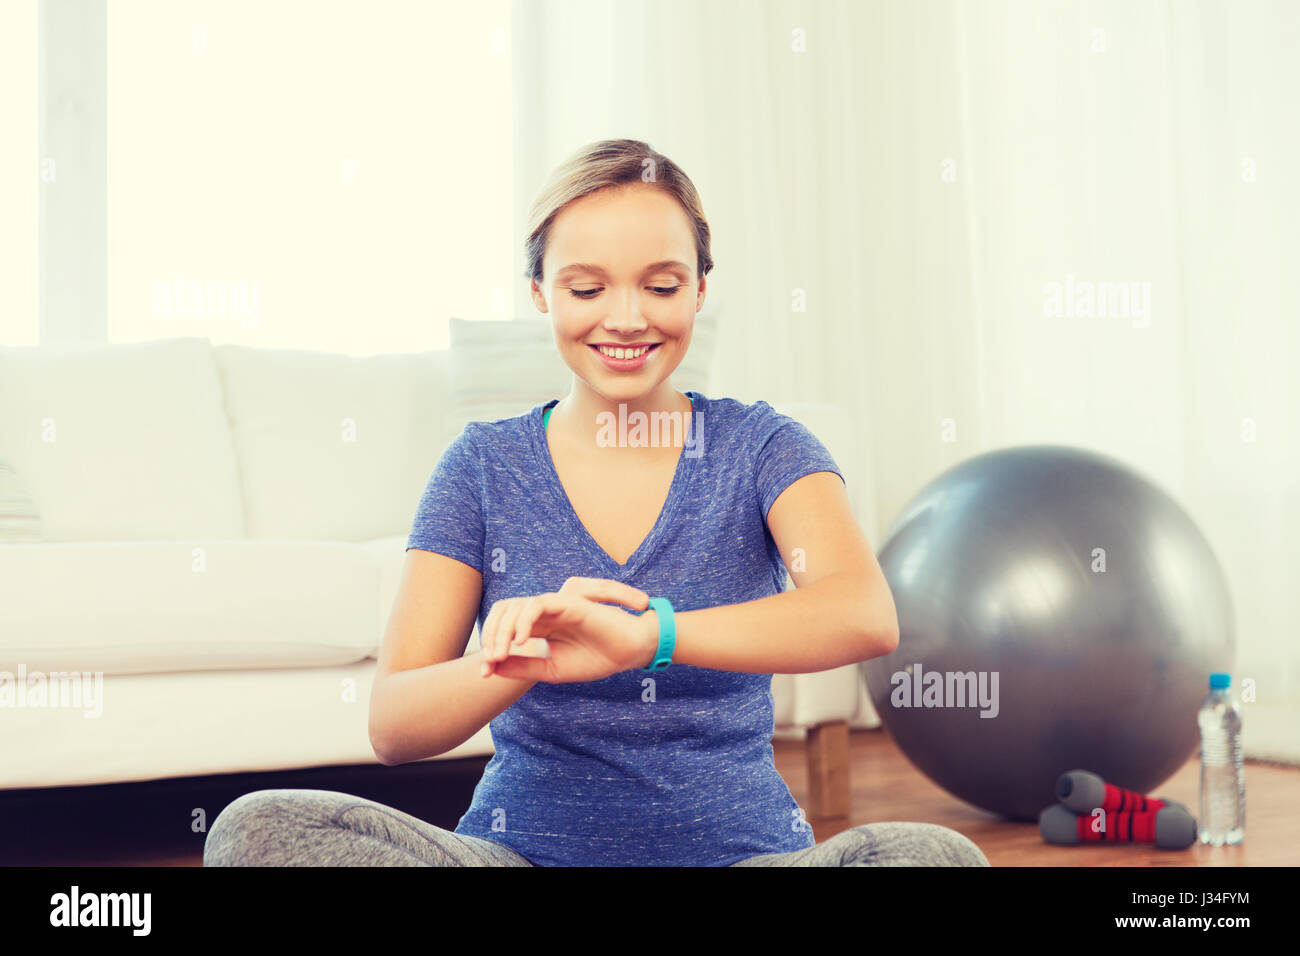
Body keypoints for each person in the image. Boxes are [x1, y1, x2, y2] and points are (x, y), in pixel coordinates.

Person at [204, 139, 989, 867]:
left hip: (739, 856)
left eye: (662, 285)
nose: (625, 317)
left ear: (700, 290)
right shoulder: (483, 466)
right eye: (587, 287)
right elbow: (396, 726)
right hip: (522, 857)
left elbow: (862, 612)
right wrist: (516, 662)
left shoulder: (762, 448)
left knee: (933, 857)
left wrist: (648, 637)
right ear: (540, 293)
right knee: (259, 828)